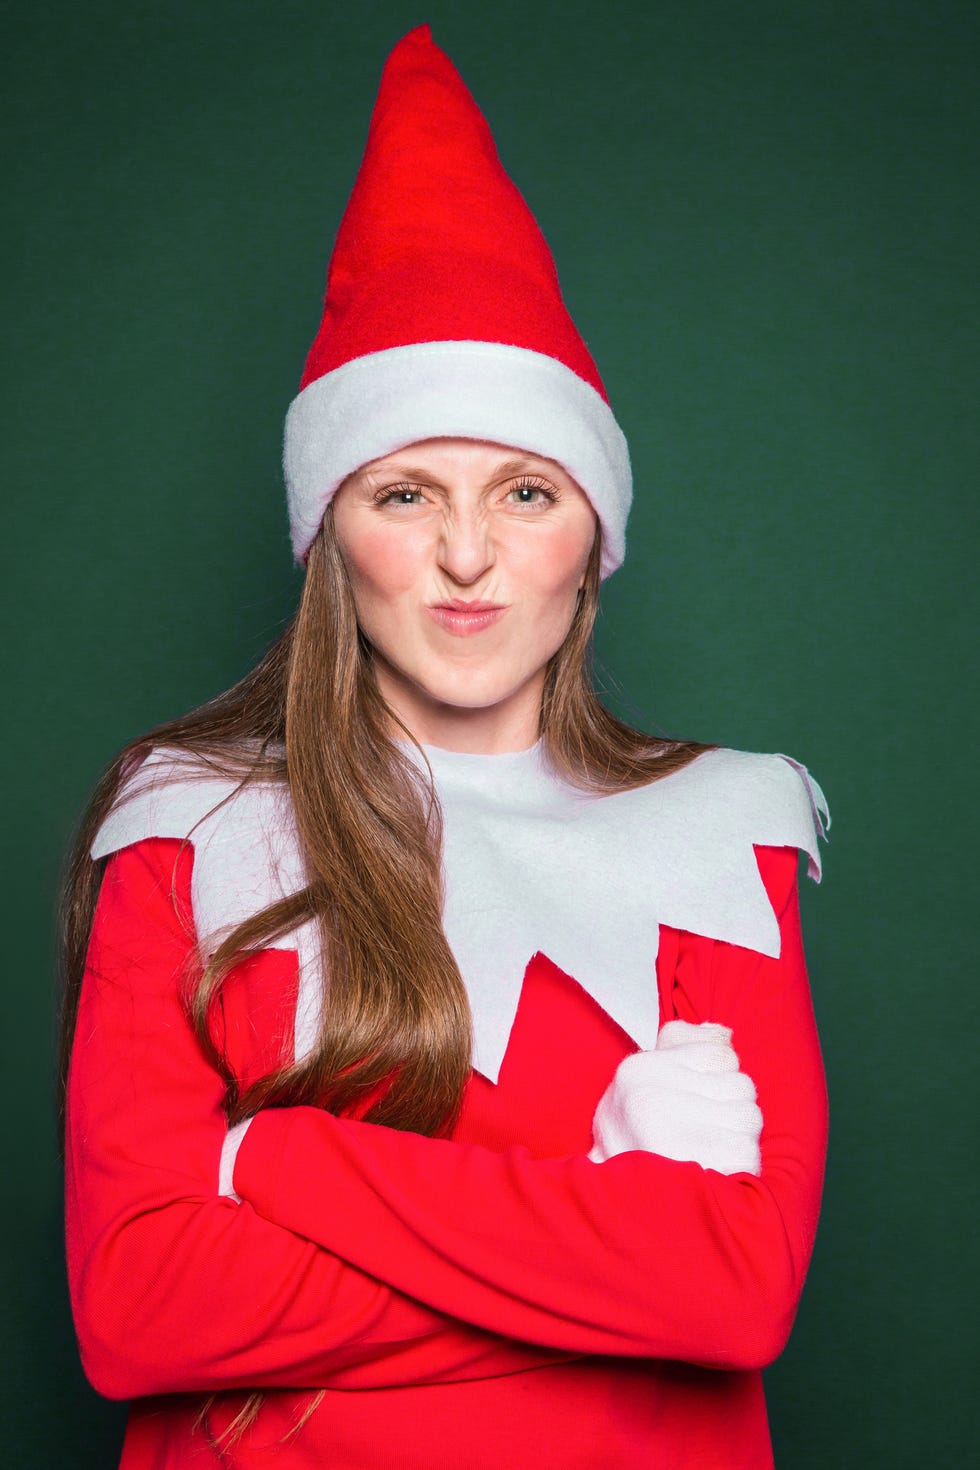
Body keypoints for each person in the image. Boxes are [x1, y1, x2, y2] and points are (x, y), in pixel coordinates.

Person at [60, 24, 829, 1470]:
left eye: (526, 491)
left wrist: (269, 1162)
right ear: (328, 536)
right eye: (406, 492)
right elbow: (136, 1304)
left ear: (592, 535)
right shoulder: (180, 823)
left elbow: (730, 1290)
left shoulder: (725, 832)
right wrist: (596, 1219)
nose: (468, 557)